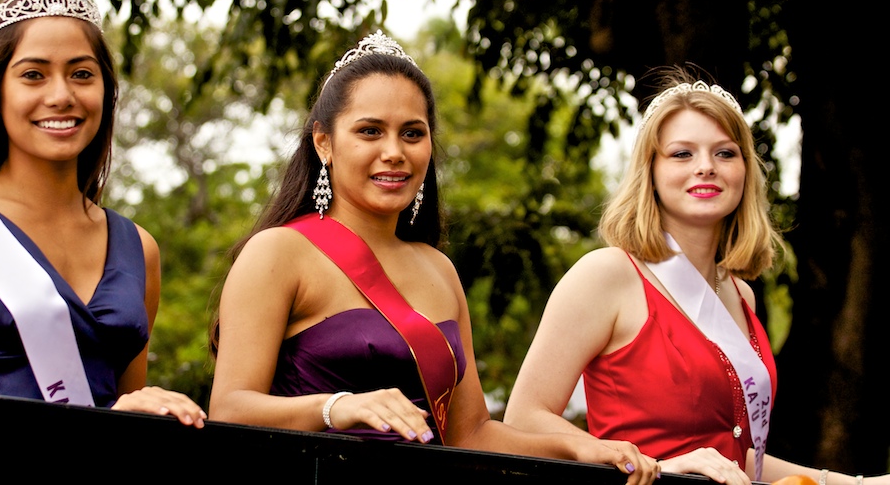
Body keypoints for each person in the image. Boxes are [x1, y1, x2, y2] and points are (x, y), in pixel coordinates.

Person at [207, 30, 660, 484]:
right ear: (323, 142)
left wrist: (575, 445)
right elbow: (229, 409)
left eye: (412, 134)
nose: (394, 153)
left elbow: (473, 434)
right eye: (369, 131)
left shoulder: (438, 269)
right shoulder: (279, 251)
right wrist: (336, 407)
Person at [502, 66, 889, 485]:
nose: (706, 167)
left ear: (745, 170)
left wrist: (857, 484)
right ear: (649, 171)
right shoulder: (607, 275)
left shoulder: (740, 294)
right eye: (682, 154)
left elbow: (741, 459)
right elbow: (523, 419)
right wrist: (649, 465)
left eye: (725, 153)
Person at [0, 0, 205, 428]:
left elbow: (132, 421)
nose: (61, 95)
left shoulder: (140, 248)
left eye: (81, 74)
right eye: (33, 74)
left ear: (106, 93)